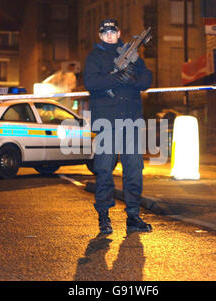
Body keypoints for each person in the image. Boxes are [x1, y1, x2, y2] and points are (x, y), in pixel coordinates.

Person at [83, 19, 153, 234]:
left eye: (113, 32)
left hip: (130, 120)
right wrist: (115, 78)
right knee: (104, 169)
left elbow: (146, 79)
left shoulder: (130, 53)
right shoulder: (94, 57)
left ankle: (133, 216)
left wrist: (131, 79)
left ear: (119, 32)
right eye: (105, 32)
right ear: (100, 35)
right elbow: (91, 83)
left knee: (134, 170)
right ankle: (104, 217)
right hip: (107, 122)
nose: (110, 35)